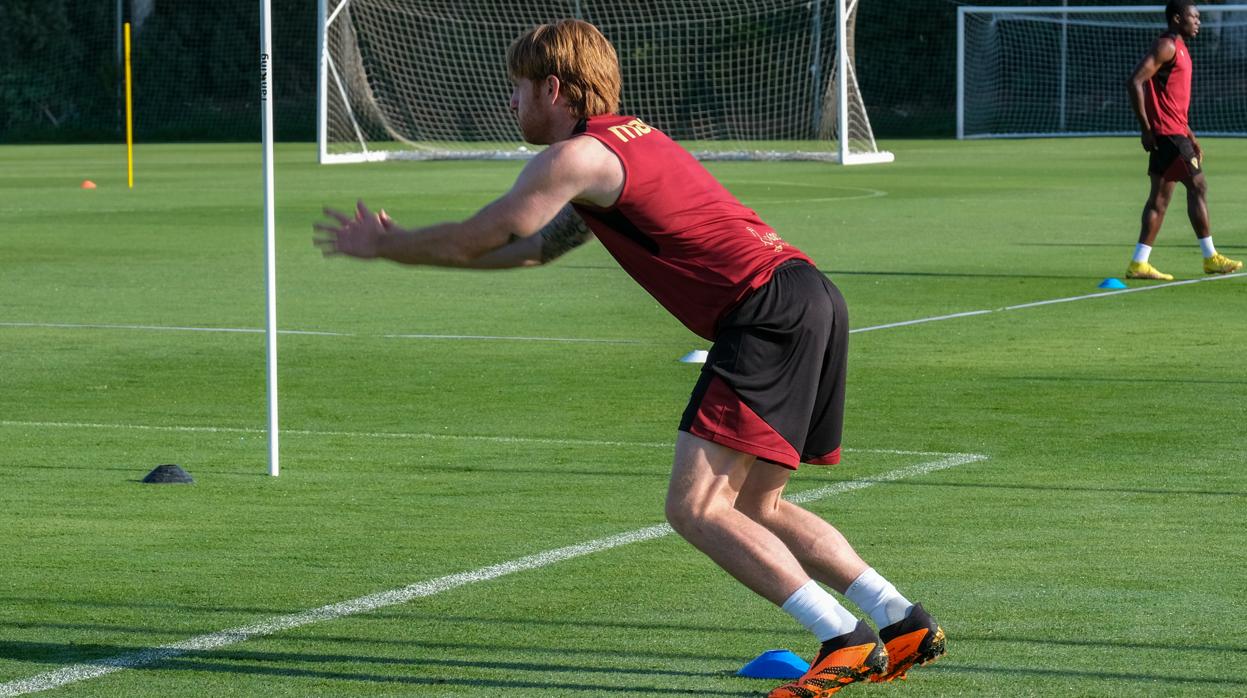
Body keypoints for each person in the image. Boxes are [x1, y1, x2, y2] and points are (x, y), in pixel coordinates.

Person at [314, 19, 944, 697]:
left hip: (762, 315)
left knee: (694, 507)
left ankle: (841, 641)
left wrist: (388, 245)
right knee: (758, 504)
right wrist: (422, 253)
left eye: (518, 88)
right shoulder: (626, 141)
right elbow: (534, 248)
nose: (511, 103)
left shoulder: (574, 158)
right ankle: (899, 620)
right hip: (806, 295)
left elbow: (481, 235)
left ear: (552, 88)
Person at [1124, 0, 1241, 280]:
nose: (1199, 21)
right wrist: (1145, 128)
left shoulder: (1182, 48)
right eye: (1194, 17)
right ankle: (1210, 257)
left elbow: (1171, 101)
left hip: (1175, 132)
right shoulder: (1167, 46)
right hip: (1167, 134)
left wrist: (1190, 133)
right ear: (1177, 18)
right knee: (1198, 186)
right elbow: (1135, 81)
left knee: (1160, 200)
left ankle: (1139, 263)